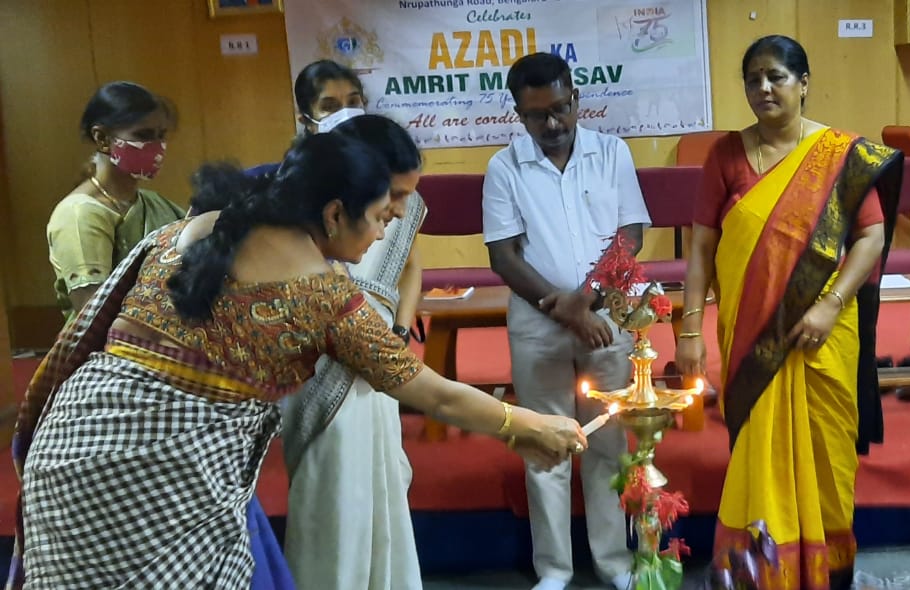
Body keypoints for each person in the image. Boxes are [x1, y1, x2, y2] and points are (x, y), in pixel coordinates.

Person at [10, 133, 586, 589]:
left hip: (67, 449)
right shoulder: (322, 294)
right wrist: (524, 424)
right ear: (335, 213)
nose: (385, 231)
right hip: (164, 486)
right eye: (381, 216)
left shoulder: (177, 232)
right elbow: (427, 390)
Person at [674, 35, 903, 590]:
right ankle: (762, 571)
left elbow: (870, 236)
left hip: (822, 334)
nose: (763, 88)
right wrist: (688, 330)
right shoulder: (726, 154)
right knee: (759, 448)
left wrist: (829, 305)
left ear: (803, 82)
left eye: (775, 76)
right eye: (752, 79)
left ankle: (823, 568)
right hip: (754, 335)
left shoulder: (841, 155)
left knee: (824, 448)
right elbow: (702, 247)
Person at [482, 52, 650, 590]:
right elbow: (504, 257)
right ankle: (553, 571)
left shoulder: (612, 154)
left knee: (607, 446)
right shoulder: (504, 167)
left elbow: (630, 238)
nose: (552, 125)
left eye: (560, 109)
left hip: (606, 321)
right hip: (539, 329)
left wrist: (588, 301)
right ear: (518, 114)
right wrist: (570, 310)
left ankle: (613, 563)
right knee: (545, 447)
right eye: (537, 116)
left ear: (576, 100)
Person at [280, 114, 427, 590]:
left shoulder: (379, 224)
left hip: (378, 363)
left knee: (383, 493)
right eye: (396, 197)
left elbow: (409, 271)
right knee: (338, 499)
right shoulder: (300, 250)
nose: (401, 213)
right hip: (327, 379)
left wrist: (398, 332)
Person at [47, 81, 185, 320]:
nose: (156, 147)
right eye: (142, 135)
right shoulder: (78, 214)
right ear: (102, 138)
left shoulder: (155, 203)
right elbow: (92, 315)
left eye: (160, 136)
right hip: (113, 350)